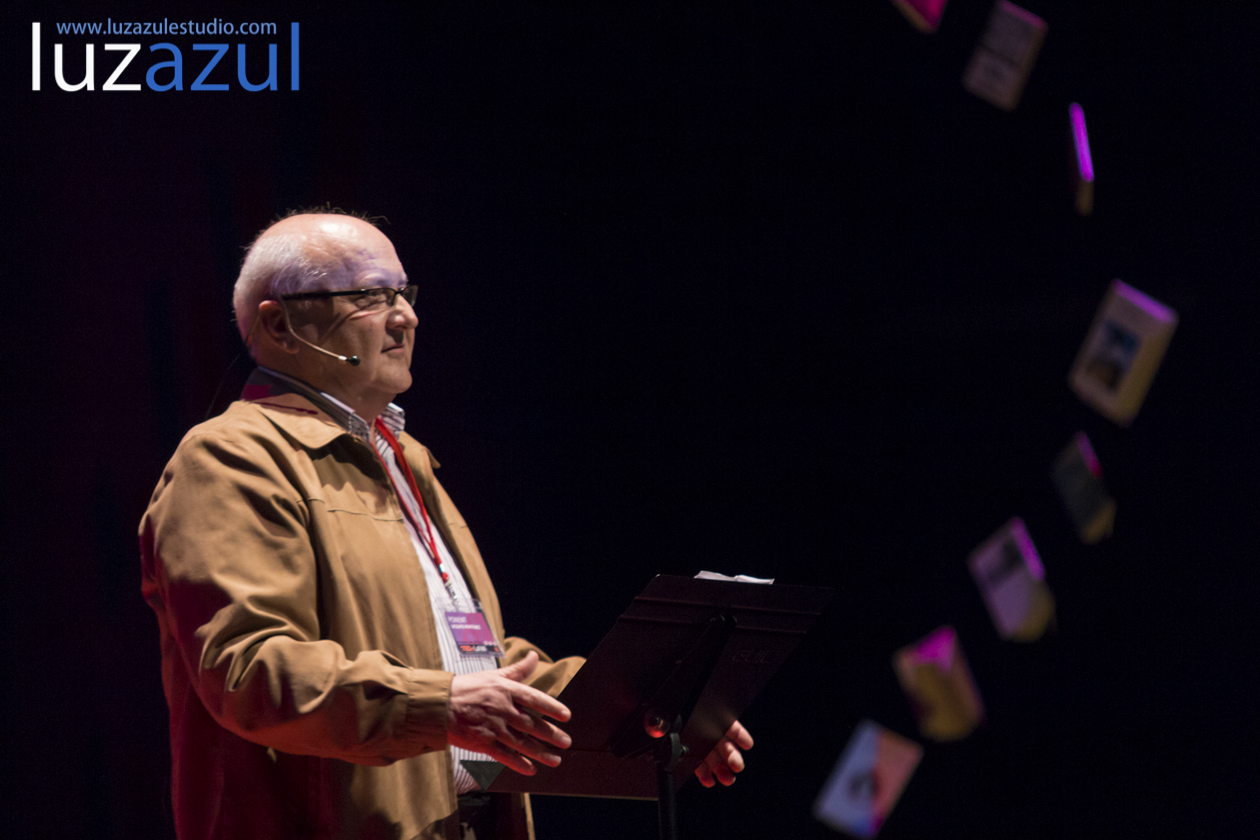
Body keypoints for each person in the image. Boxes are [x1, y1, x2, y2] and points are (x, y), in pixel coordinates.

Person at [140, 211, 753, 840]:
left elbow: (476, 658)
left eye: (403, 293)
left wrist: (650, 709)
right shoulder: (229, 459)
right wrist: (440, 706)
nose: (404, 316)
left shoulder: (403, 457)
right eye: (371, 296)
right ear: (280, 325)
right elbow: (247, 669)